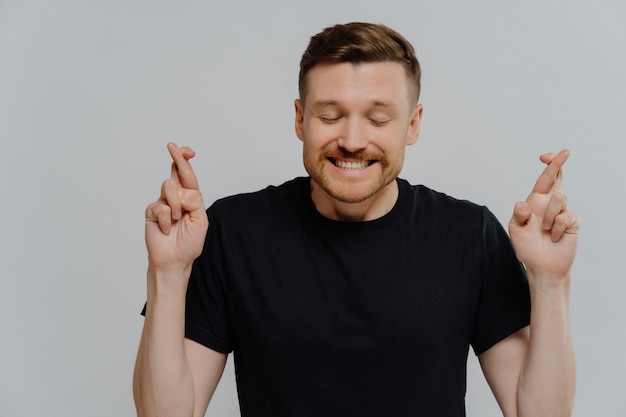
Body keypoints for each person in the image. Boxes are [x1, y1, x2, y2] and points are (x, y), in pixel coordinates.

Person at [133, 22, 578, 417]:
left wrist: (550, 282)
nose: (351, 140)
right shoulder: (232, 230)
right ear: (300, 119)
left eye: (378, 119)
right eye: (330, 116)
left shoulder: (469, 234)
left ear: (413, 125)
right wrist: (168, 273)